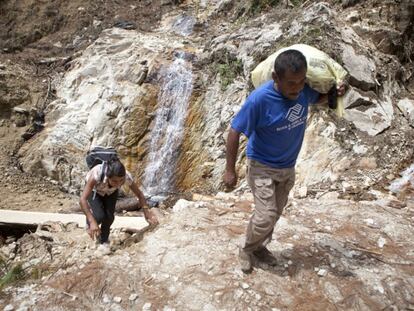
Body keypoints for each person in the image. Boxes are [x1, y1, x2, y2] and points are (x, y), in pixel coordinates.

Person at [224, 49, 345, 273]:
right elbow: (234, 131)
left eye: (301, 82)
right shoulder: (259, 100)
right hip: (262, 166)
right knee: (265, 215)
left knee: (275, 213)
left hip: (287, 167)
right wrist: (229, 170)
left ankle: (259, 247)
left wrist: (334, 93)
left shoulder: (302, 92)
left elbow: (316, 98)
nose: (297, 88)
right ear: (275, 78)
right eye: (291, 83)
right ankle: (246, 248)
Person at [80, 158, 158, 244]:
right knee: (99, 216)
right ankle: (89, 224)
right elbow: (82, 199)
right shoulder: (96, 175)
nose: (118, 183)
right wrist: (92, 221)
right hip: (95, 191)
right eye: (114, 181)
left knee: (109, 217)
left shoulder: (126, 177)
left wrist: (146, 212)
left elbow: (139, 194)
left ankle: (103, 241)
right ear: (108, 177)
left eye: (121, 181)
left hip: (111, 192)